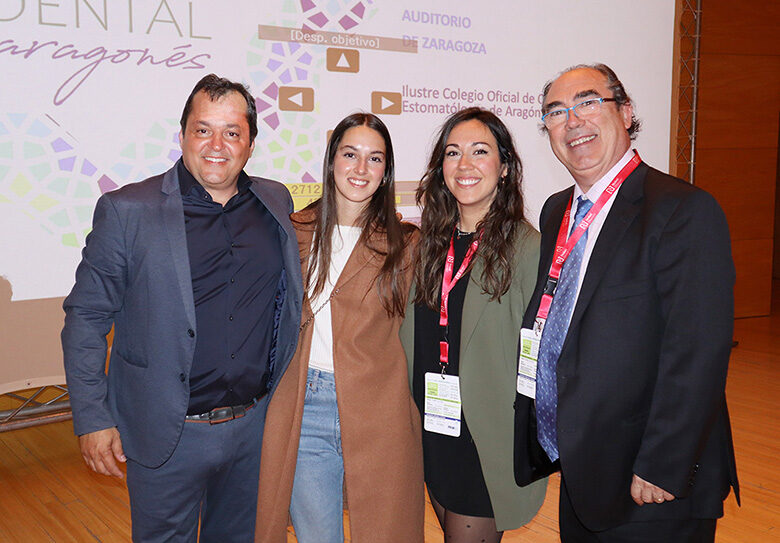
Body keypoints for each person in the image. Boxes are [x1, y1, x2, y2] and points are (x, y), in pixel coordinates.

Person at [61, 73, 303, 542]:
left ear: (250, 143)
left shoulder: (275, 201)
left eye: (232, 132)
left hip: (255, 429)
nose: (217, 145)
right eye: (203, 129)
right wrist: (93, 417)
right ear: (182, 135)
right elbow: (86, 318)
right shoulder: (129, 210)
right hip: (167, 434)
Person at [513, 63, 740, 541]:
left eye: (588, 102)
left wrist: (663, 463)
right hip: (583, 469)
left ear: (626, 111)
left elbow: (697, 351)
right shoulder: (556, 210)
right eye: (556, 111)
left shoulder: (682, 209)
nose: (573, 120)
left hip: (652, 483)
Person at [255, 113, 424, 543]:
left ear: (386, 172)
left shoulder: (407, 245)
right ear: (331, 161)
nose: (361, 168)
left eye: (375, 158)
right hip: (304, 407)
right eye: (350, 154)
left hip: (381, 411)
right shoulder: (293, 232)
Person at [400, 107, 547, 543]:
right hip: (433, 427)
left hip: (486, 437)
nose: (464, 164)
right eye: (453, 152)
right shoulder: (426, 244)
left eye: (480, 151)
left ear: (504, 167)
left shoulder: (528, 249)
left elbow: (541, 356)